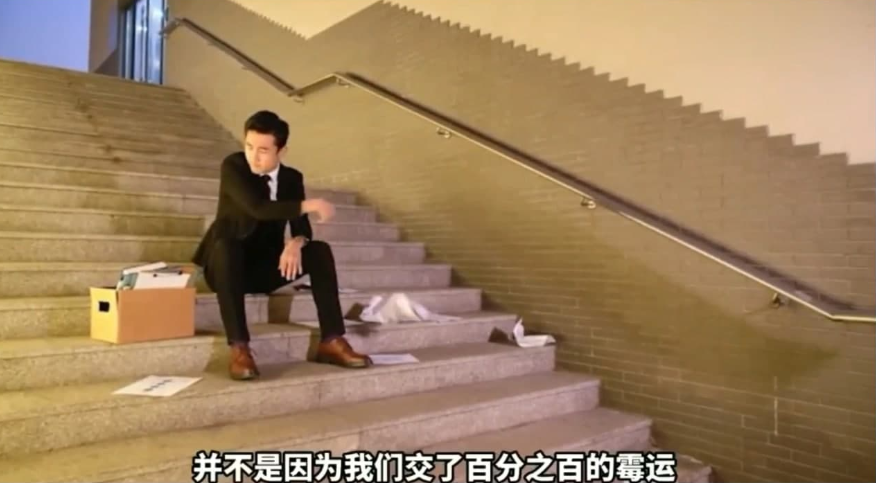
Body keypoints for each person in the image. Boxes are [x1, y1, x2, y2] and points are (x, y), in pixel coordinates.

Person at [192, 110, 372, 380]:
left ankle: (332, 340)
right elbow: (257, 208)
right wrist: (310, 204)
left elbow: (301, 227)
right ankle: (240, 348)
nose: (253, 156)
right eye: (249, 146)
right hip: (226, 268)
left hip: (265, 268)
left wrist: (296, 242)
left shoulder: (291, 178)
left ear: (282, 151)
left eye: (263, 150)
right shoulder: (234, 166)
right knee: (228, 246)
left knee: (319, 250)